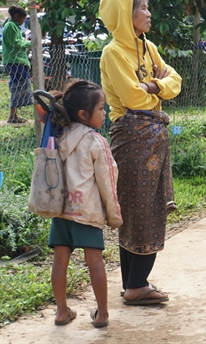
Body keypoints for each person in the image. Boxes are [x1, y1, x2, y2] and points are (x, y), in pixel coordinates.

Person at [99, 0, 182, 305]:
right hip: (132, 139)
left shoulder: (148, 48)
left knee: (146, 208)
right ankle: (136, 285)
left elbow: (175, 82)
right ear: (125, 14)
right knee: (139, 210)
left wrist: (153, 85)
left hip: (153, 138)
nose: (149, 13)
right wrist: (157, 87)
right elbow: (133, 98)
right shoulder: (113, 53)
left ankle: (133, 283)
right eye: (143, 8)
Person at [48, 80, 122, 328]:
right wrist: (113, 216)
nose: (106, 113)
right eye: (102, 109)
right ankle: (101, 314)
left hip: (61, 209)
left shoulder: (57, 136)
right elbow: (107, 182)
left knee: (59, 261)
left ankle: (61, 312)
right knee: (95, 262)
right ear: (83, 114)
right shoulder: (96, 141)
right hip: (86, 211)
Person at [2, 6, 32, 124]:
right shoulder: (10, 26)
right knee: (17, 86)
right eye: (23, 19)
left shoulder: (14, 26)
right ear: (16, 16)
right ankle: (12, 115)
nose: (23, 21)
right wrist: (30, 42)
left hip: (19, 60)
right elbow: (15, 43)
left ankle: (14, 114)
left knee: (20, 85)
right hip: (14, 61)